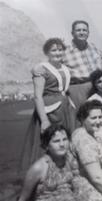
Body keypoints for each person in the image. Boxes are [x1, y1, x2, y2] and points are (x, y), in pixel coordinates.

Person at [20, 38, 76, 173]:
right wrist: (44, 120)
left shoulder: (65, 68)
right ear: (47, 52)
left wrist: (70, 101)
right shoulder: (41, 69)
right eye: (54, 50)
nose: (58, 52)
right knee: (51, 140)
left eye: (60, 49)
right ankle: (47, 174)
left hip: (66, 109)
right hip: (50, 111)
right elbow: (38, 96)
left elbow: (64, 89)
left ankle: (66, 171)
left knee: (66, 140)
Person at [19, 125, 76, 201]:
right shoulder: (39, 168)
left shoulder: (70, 160)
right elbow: (23, 198)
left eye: (65, 139)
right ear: (46, 146)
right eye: (56, 141)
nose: (62, 144)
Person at [63, 20, 102, 109]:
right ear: (72, 33)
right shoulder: (65, 51)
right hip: (78, 88)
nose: (82, 33)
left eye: (84, 30)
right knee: (81, 117)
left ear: (88, 33)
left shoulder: (93, 47)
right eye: (78, 30)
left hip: (96, 87)